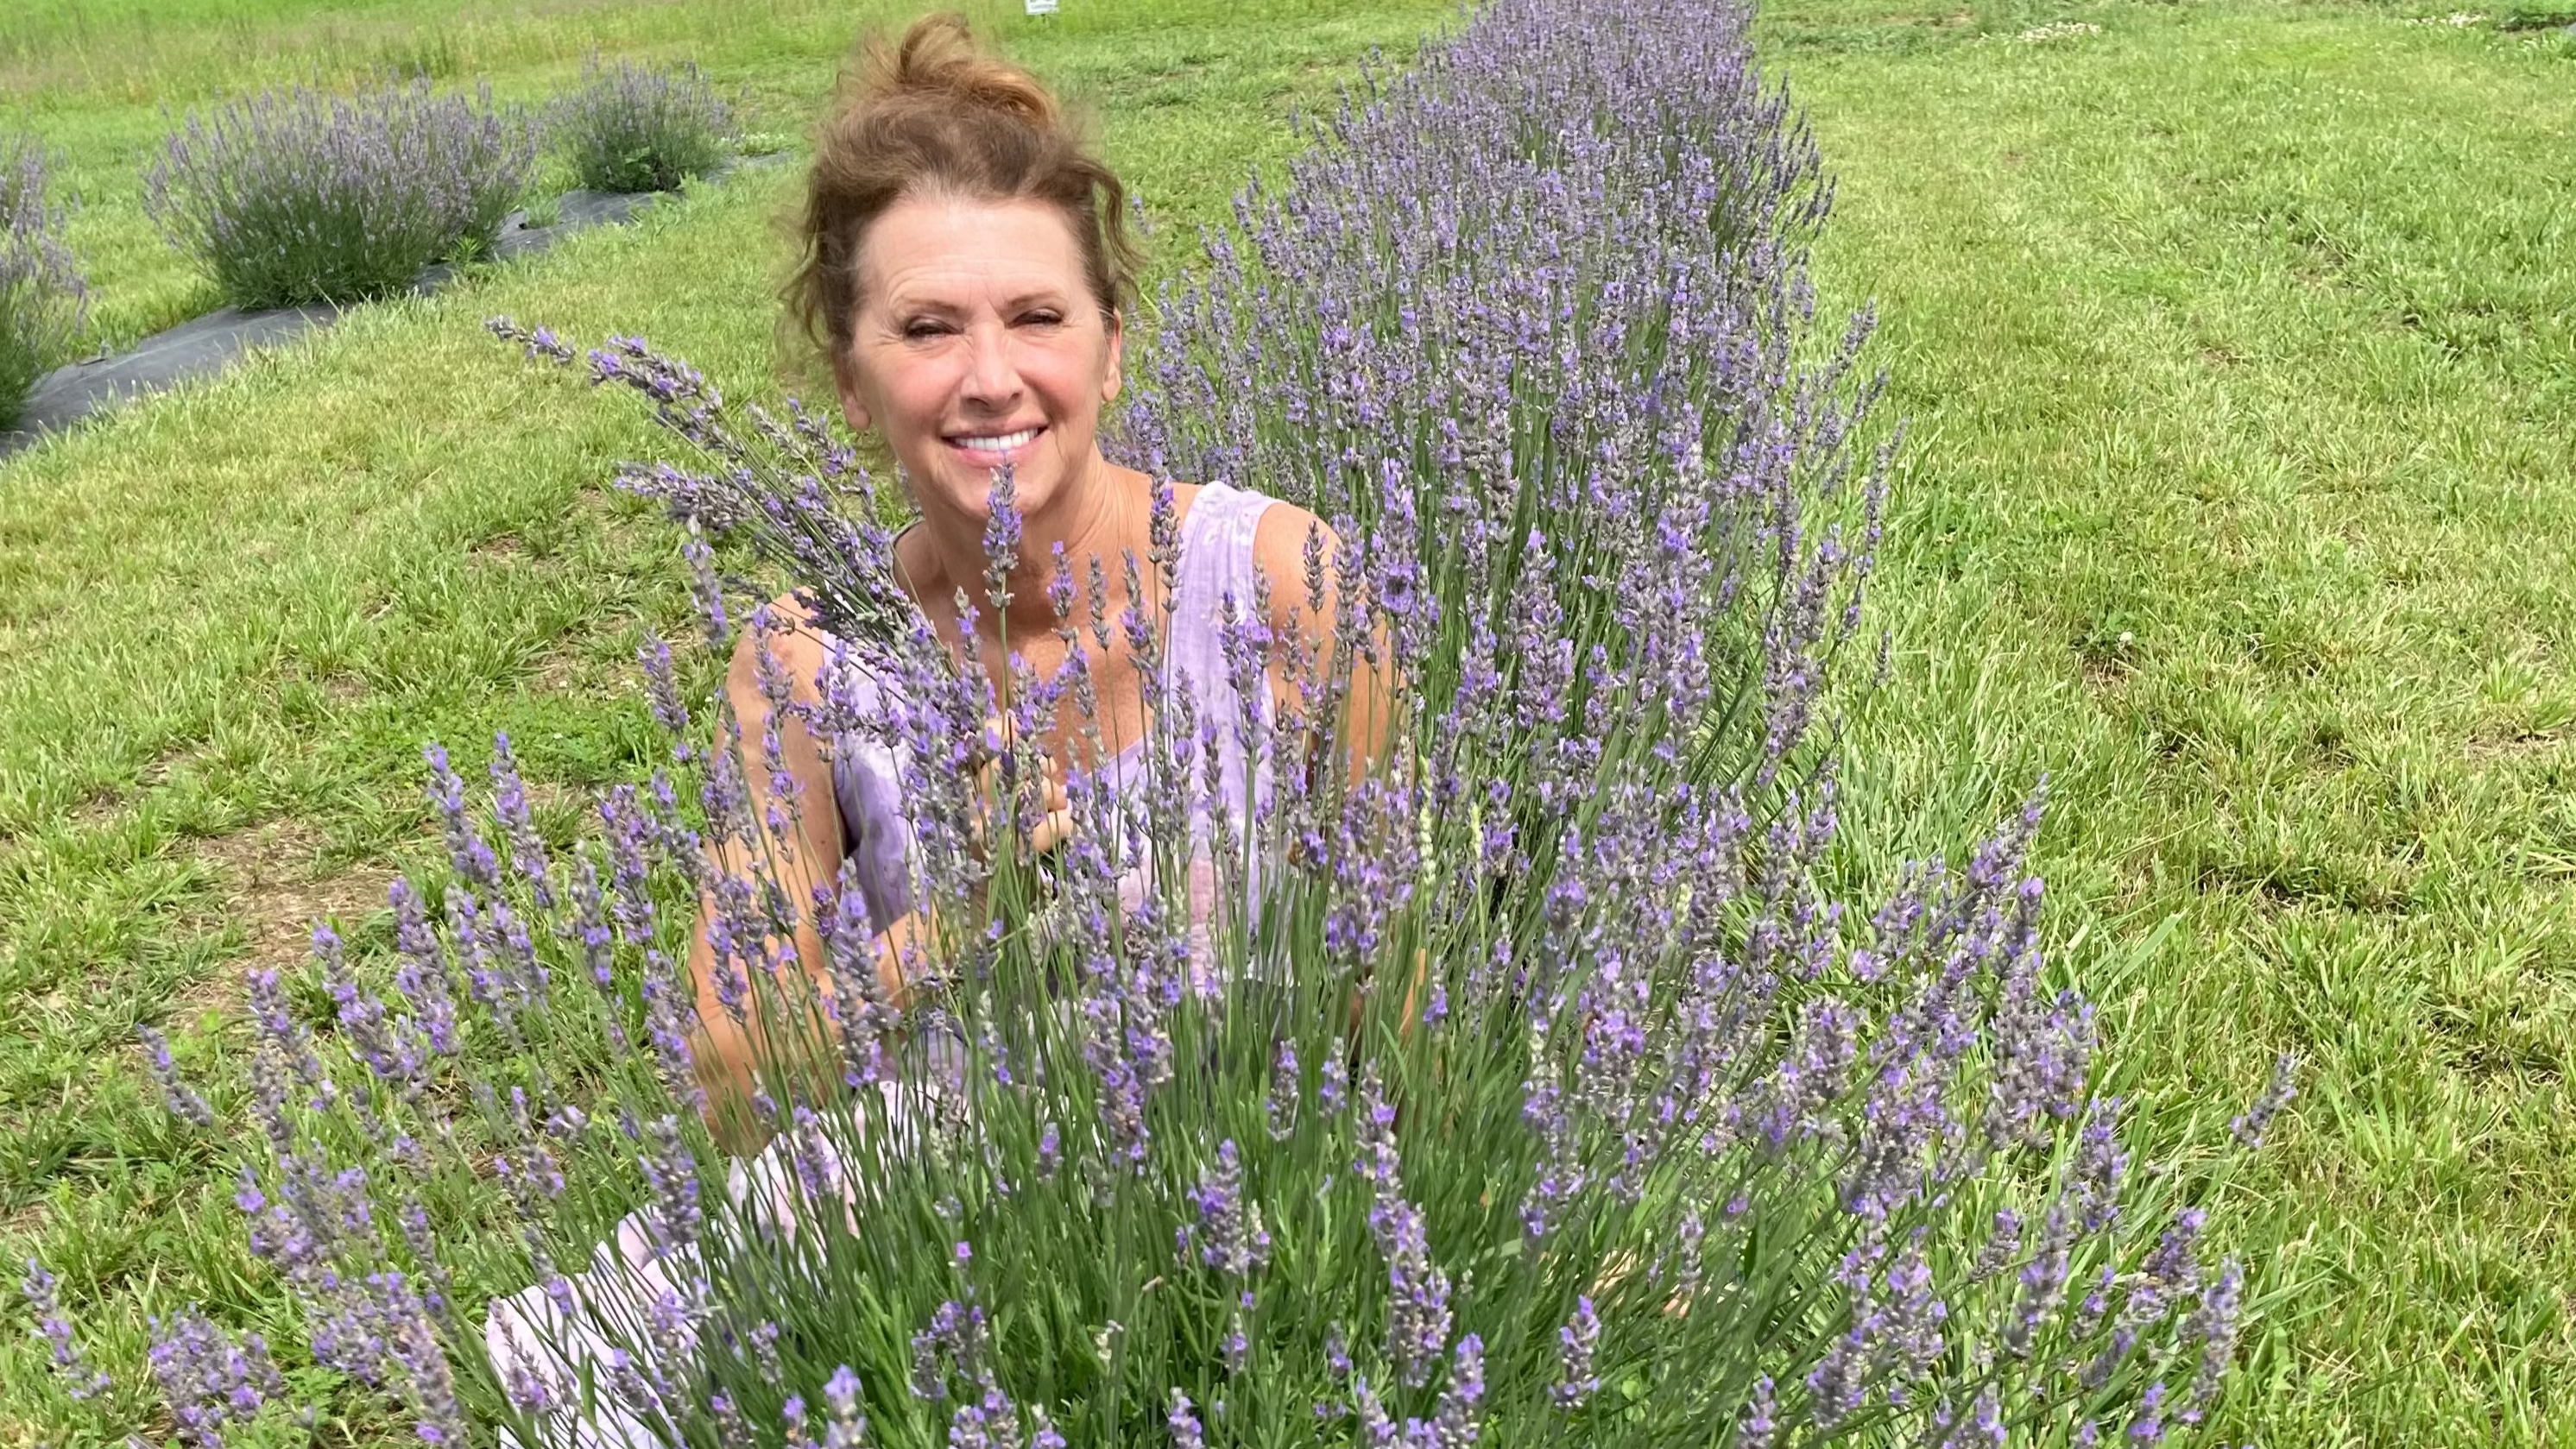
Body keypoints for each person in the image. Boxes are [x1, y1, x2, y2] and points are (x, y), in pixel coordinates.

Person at [483, 16, 1383, 1437]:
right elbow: (728, 1084)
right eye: (926, 328)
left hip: (1267, 1222)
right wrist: (957, 919)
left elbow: (1400, 981)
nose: (988, 377)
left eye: (1037, 317)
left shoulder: (1286, 585)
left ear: (1111, 344)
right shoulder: (804, 660)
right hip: (933, 1255)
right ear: (852, 380)